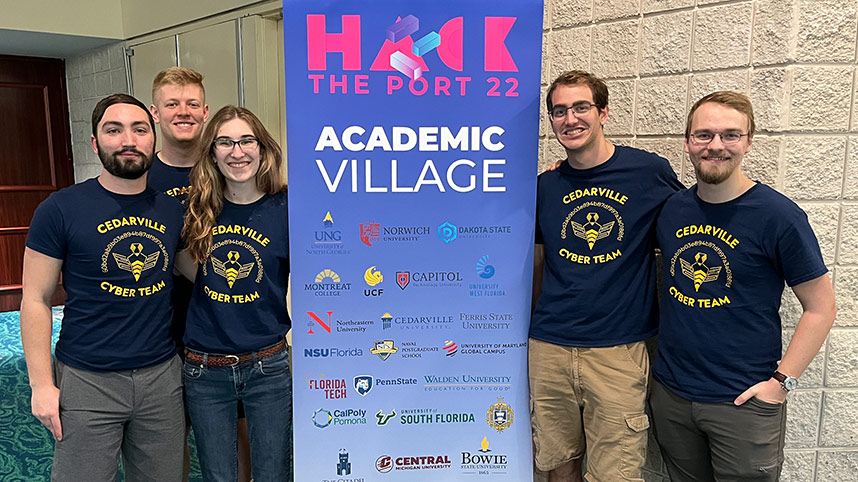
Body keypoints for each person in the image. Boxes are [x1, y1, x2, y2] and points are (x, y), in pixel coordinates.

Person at [649, 91, 836, 481]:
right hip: (672, 395)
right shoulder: (672, 210)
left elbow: (821, 308)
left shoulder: (778, 216)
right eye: (704, 135)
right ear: (688, 143)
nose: (716, 145)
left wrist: (780, 384)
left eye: (730, 135)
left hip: (743, 402)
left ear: (748, 142)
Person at [20, 93, 185, 481]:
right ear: (96, 143)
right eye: (114, 130)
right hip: (87, 377)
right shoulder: (60, 209)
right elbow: (35, 299)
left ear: (153, 140)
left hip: (161, 377)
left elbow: (195, 271)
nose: (128, 140)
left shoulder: (171, 210)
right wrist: (41, 385)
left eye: (139, 129)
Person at [530, 70, 683, 482]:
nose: (570, 119)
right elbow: (538, 261)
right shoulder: (546, 186)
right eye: (559, 111)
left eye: (581, 107)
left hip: (617, 350)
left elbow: (690, 220)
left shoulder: (647, 172)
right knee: (557, 463)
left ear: (603, 113)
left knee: (616, 473)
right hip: (549, 346)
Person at [177, 105, 292, 482]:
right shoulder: (194, 209)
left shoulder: (288, 208)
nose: (237, 151)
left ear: (263, 148)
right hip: (204, 367)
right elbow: (192, 272)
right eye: (225, 142)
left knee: (274, 473)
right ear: (212, 153)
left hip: (268, 365)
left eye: (246, 141)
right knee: (218, 476)